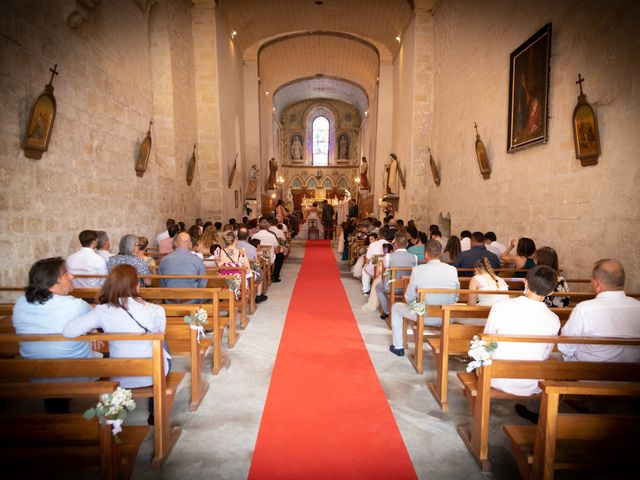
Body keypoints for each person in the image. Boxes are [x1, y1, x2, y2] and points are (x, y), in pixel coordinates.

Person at [63, 264, 170, 424]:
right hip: (151, 373)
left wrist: (92, 331)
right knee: (163, 344)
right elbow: (160, 332)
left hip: (120, 374)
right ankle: (155, 412)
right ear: (136, 285)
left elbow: (69, 331)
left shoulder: (102, 311)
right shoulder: (156, 310)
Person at [12, 257, 98, 413]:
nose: (72, 276)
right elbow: (97, 318)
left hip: (34, 369)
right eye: (66, 274)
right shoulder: (76, 305)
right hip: (73, 370)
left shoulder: (20, 303)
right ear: (51, 283)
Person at [483, 265, 560, 396]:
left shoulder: (501, 306)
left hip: (496, 377)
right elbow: (546, 353)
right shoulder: (554, 319)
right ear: (551, 292)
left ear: (525, 282)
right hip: (530, 381)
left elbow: (486, 341)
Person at [559, 259, 640, 363]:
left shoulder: (584, 309)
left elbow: (565, 347)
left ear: (597, 284)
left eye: (591, 277)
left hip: (589, 375)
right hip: (633, 376)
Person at [389, 240, 459, 356]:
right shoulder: (452, 269)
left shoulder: (418, 270)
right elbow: (456, 295)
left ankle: (398, 346)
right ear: (441, 253)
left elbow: (409, 297)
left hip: (424, 314)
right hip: (447, 314)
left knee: (396, 307)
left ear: (426, 254)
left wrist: (417, 308)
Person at [376, 233, 418, 320]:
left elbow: (385, 268)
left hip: (392, 286)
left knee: (378, 287)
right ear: (407, 244)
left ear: (395, 244)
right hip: (408, 287)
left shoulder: (388, 256)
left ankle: (387, 311)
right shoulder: (414, 257)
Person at [251, 218, 284, 282]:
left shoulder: (254, 235)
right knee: (280, 256)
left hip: (257, 257)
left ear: (259, 227)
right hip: (268, 258)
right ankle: (275, 276)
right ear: (268, 226)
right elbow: (276, 250)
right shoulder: (271, 235)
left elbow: (253, 247)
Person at [361, 227, 390, 295]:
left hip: (375, 265)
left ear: (379, 235)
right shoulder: (391, 244)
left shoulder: (373, 244)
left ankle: (366, 290)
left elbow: (368, 259)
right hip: (387, 267)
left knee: (365, 269)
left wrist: (366, 264)